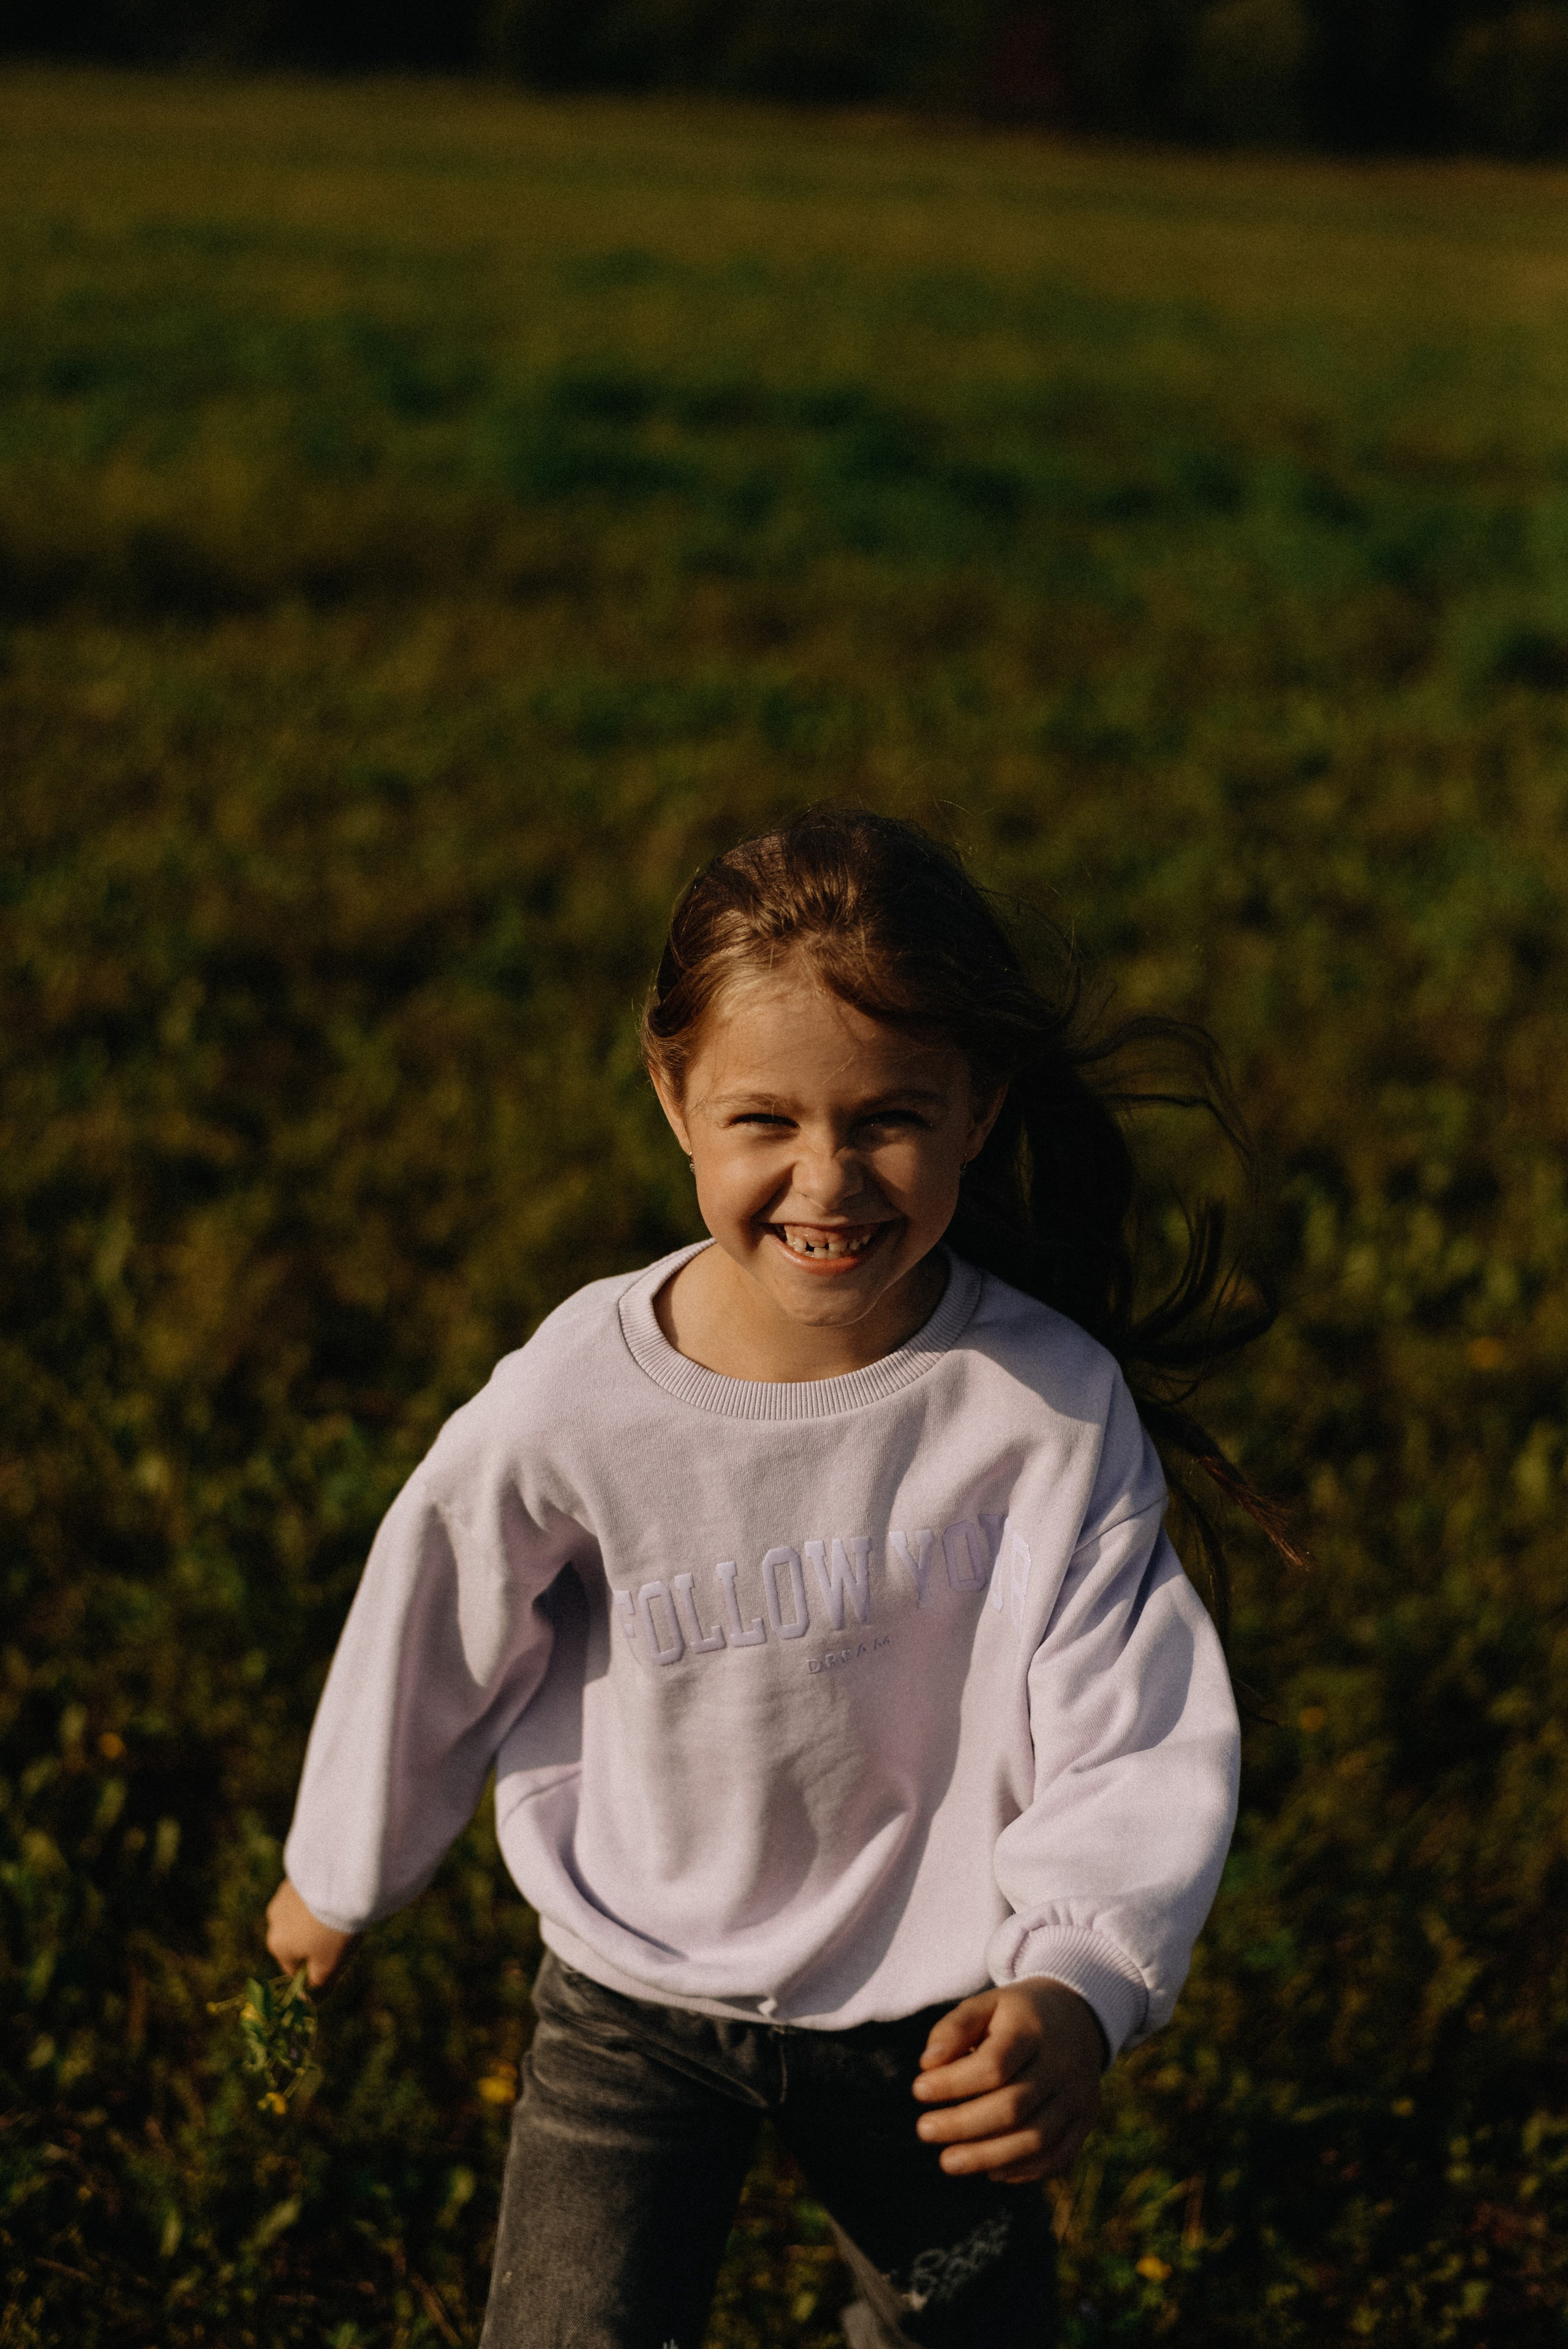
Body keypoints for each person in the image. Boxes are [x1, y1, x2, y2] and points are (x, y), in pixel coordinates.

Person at [267, 807, 1288, 2349]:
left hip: (930, 2011)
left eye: (888, 1116)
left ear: (976, 1106)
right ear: (671, 1093)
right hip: (633, 1995)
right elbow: (436, 1618)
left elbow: (1128, 1724)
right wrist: (340, 1875)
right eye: (765, 1120)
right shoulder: (576, 1399)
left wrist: (1077, 1979)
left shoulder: (1046, 1406)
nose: (828, 1179)